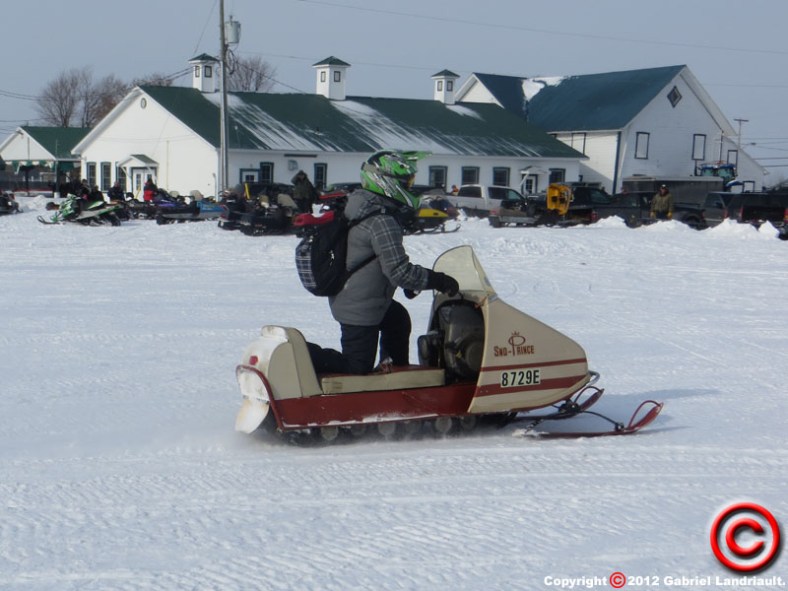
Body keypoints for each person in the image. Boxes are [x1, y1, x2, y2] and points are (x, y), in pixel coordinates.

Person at [307, 150, 459, 375]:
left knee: (397, 320)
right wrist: (437, 280)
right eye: (406, 182)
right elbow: (399, 272)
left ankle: (394, 374)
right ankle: (298, 354)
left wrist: (412, 282)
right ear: (386, 182)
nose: (410, 187)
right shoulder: (382, 220)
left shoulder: (360, 203)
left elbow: (381, 261)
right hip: (359, 307)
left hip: (357, 296)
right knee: (356, 366)